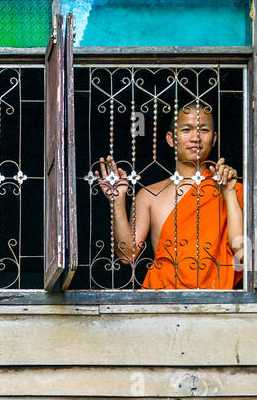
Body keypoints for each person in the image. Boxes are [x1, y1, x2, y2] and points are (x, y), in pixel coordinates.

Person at [94, 103, 244, 289]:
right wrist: (117, 201)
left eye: (203, 130)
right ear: (171, 139)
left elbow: (242, 252)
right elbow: (126, 255)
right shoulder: (150, 195)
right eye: (186, 130)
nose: (195, 138)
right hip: (162, 300)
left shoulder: (234, 190)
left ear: (213, 139)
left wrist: (229, 193)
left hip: (217, 301)